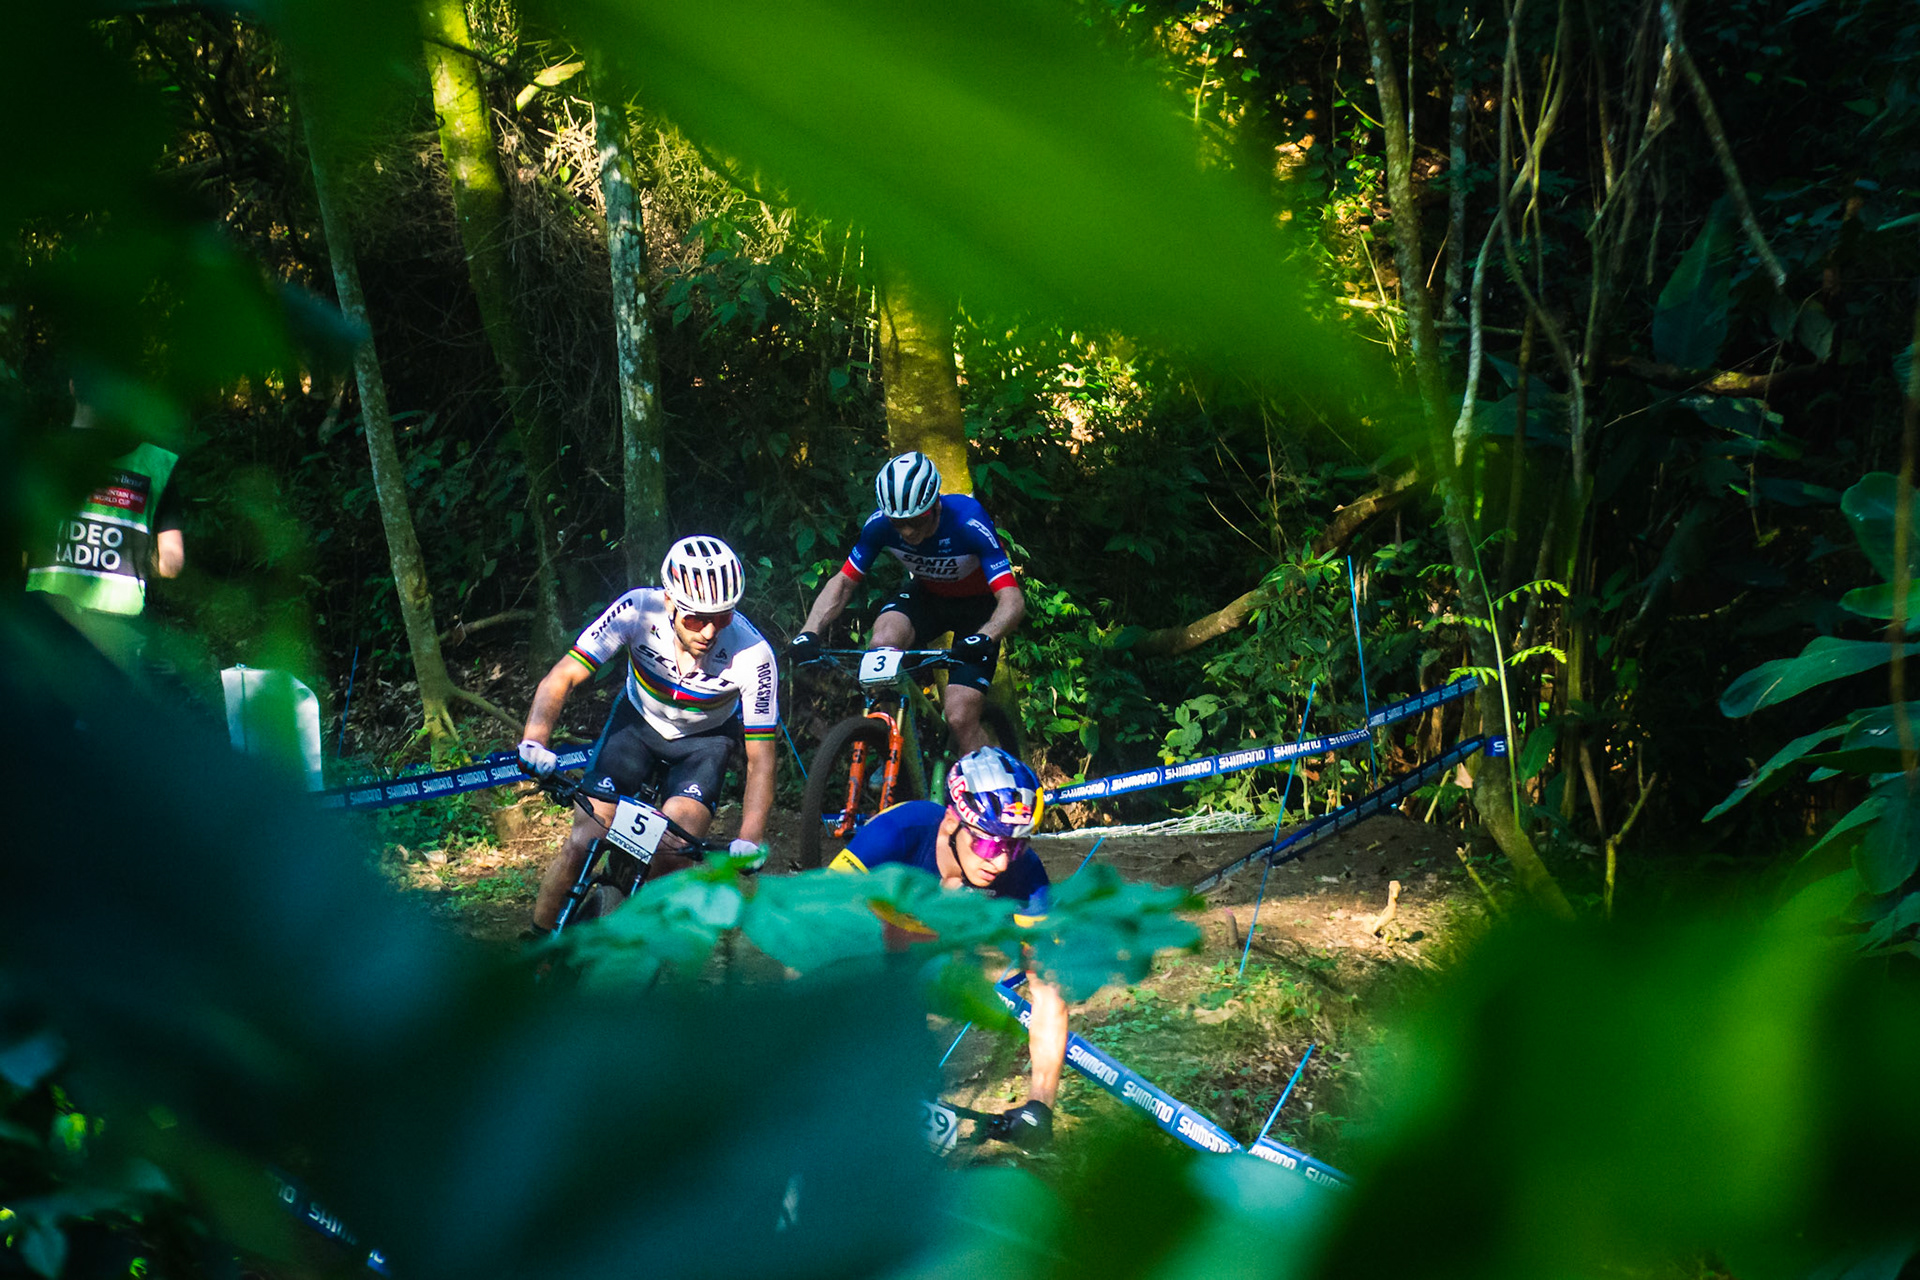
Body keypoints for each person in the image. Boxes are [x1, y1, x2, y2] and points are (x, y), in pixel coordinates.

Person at [517, 536, 778, 931]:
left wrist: (750, 837)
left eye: (722, 617)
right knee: (582, 842)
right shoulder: (639, 610)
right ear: (670, 602)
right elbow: (563, 676)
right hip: (637, 726)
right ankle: (536, 949)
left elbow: (761, 758)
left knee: (672, 854)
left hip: (703, 745)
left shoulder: (752, 654)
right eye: (695, 618)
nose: (709, 631)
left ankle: (638, 952)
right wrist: (535, 740)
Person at [831, 746, 1064, 1150]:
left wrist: (1039, 1105)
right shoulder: (898, 834)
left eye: (1017, 846)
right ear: (952, 823)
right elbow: (815, 929)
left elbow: (1050, 990)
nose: (1003, 863)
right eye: (991, 846)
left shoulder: (1024, 875)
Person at [789, 451, 1023, 754]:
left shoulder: (968, 520)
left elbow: (1012, 599)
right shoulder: (879, 526)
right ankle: (893, 749)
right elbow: (844, 582)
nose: (908, 531)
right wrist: (810, 632)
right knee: (882, 642)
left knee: (959, 716)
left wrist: (987, 636)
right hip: (927, 597)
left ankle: (998, 789)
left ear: (935, 504)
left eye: (917, 520)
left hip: (977, 610)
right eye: (898, 523)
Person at [25, 387, 186, 673]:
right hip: (118, 637)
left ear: (73, 385)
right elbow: (171, 563)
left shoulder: (37, 453)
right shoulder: (156, 463)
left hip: (42, 624)